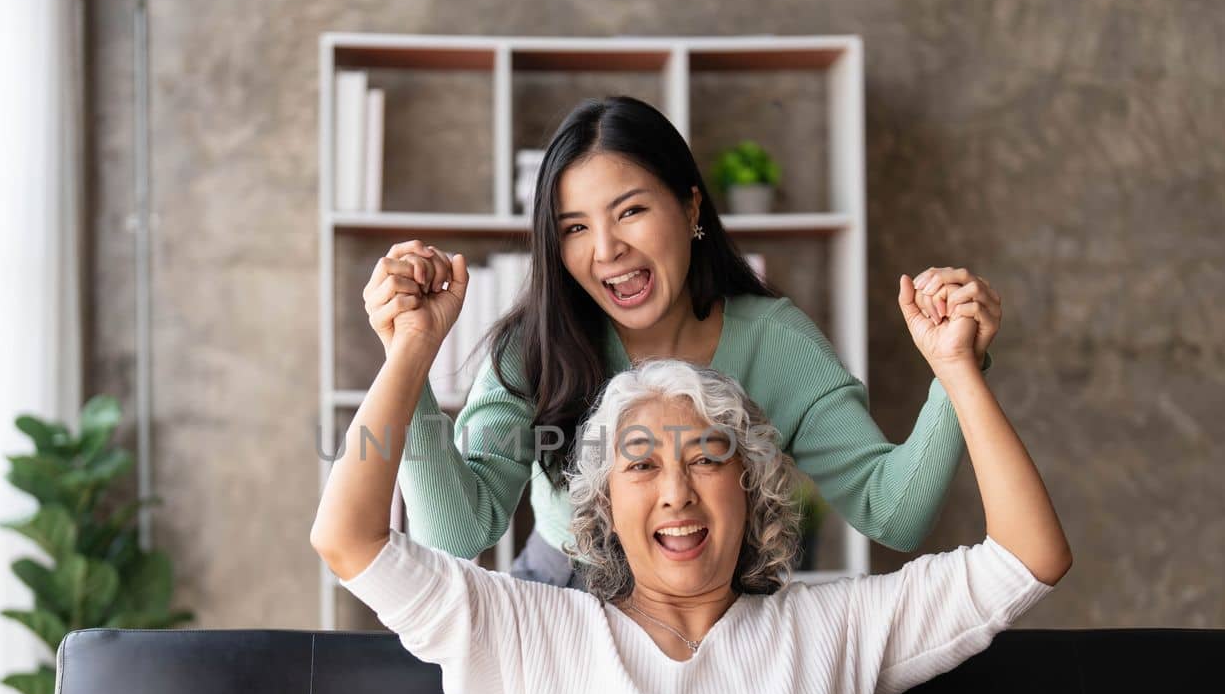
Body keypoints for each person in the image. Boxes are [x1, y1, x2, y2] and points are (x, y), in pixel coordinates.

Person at [311, 254, 1071, 694]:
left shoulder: (835, 631)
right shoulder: (533, 631)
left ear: (753, 485)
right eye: (641, 465)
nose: (676, 491)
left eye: (707, 458)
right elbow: (348, 538)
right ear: (604, 503)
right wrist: (410, 349)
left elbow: (1030, 555)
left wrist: (958, 370)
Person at [360, 94, 1004, 587]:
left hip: (714, 603)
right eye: (575, 227)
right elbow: (456, 534)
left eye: (631, 211)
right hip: (561, 598)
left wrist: (956, 372)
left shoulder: (775, 341)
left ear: (691, 208)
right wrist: (409, 361)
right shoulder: (536, 346)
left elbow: (892, 511)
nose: (607, 249)